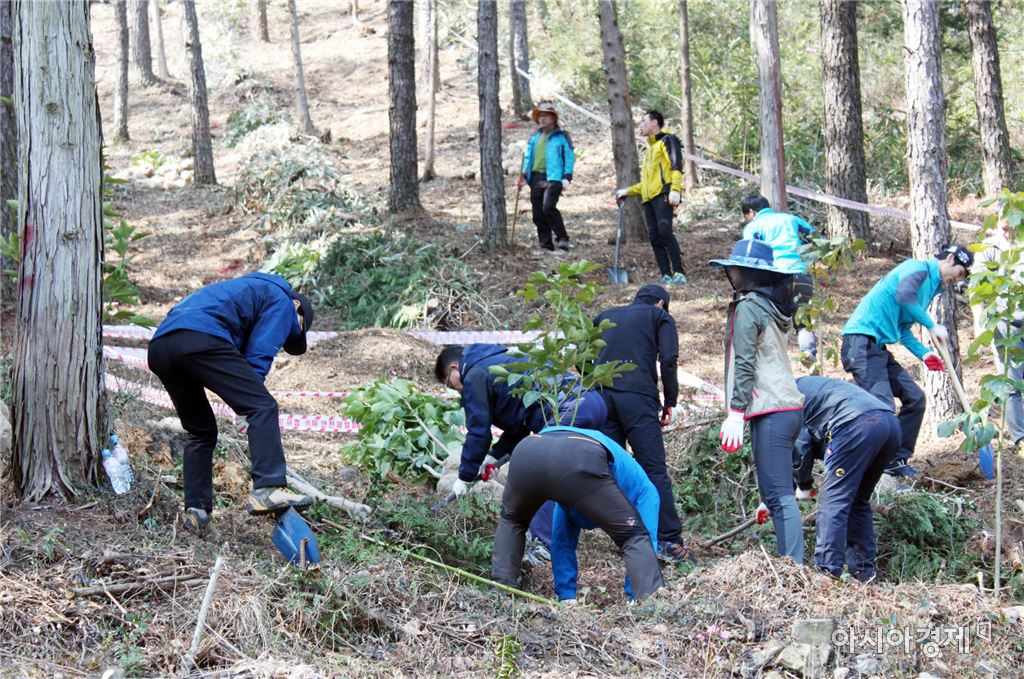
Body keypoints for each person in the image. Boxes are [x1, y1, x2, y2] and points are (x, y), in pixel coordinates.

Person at [147, 272, 316, 533]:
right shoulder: (283, 301)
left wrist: (243, 402)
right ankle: (268, 489)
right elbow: (258, 355)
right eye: (292, 331)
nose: (286, 337)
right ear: (298, 308)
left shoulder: (243, 290)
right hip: (200, 336)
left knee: (200, 430)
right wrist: (247, 405)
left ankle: (197, 511)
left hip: (161, 345)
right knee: (263, 406)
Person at [434, 344, 606, 547]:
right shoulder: (501, 361)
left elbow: (478, 431)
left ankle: (541, 543)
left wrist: (464, 477)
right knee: (573, 472)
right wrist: (493, 458)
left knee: (542, 473)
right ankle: (585, 525)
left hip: (568, 410)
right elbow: (521, 424)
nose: (456, 389)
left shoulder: (474, 375)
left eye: (451, 385)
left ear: (455, 368)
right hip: (591, 403)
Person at [840, 245, 973, 477]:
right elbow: (904, 296)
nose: (956, 280)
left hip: (877, 348)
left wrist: (925, 354)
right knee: (882, 407)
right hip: (860, 342)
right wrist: (931, 325)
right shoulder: (918, 269)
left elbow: (903, 329)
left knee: (915, 398)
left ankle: (894, 460)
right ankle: (868, 466)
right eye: (959, 272)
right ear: (950, 258)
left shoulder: (931, 287)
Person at [710, 239, 805, 563]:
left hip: (770, 409)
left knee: (780, 496)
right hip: (784, 407)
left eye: (737, 268)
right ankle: (791, 564)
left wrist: (735, 411)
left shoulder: (750, 308)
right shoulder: (772, 307)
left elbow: (745, 362)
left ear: (748, 273)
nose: (732, 274)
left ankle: (794, 568)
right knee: (775, 495)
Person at [493, 425, 664, 602]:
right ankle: (645, 602)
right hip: (580, 456)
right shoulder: (647, 492)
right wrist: (638, 594)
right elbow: (644, 542)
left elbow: (561, 539)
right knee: (633, 536)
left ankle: (502, 594)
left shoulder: (580, 493)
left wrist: (566, 594)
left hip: (528, 449)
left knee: (512, 521)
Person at [594, 284, 689, 562]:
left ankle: (628, 537)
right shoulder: (659, 317)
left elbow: (582, 356)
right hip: (637, 399)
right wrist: (670, 399)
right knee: (653, 469)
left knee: (616, 470)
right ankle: (668, 540)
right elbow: (669, 358)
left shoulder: (605, 315)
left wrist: (595, 383)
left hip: (601, 398)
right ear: (661, 303)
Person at [793, 376, 901, 581]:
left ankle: (826, 572)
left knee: (834, 501)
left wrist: (803, 484)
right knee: (858, 501)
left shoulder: (787, 397)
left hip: (855, 426)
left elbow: (801, 445)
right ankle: (864, 573)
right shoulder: (810, 386)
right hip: (889, 424)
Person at [740, 193, 819, 360]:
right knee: (803, 320)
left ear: (751, 212)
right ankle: (808, 353)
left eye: (746, 216)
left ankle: (775, 360)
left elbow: (749, 255)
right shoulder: (791, 219)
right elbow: (816, 238)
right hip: (801, 273)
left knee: (773, 322)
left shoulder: (753, 227)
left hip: (775, 277)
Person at [615, 110, 687, 286]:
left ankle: (679, 272)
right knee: (654, 237)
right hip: (648, 199)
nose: (641, 125)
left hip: (664, 193)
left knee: (665, 231)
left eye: (644, 121)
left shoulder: (668, 140)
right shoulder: (649, 151)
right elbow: (646, 183)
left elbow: (676, 165)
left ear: (655, 122)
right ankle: (666, 274)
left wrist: (675, 189)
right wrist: (627, 191)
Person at [971, 217, 1024, 455]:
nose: (1011, 233)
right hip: (1005, 323)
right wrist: (979, 322)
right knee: (1011, 381)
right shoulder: (989, 250)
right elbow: (977, 289)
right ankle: (1020, 438)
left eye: (1016, 227)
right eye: (1005, 228)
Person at [517, 102, 576, 252]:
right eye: (540, 116)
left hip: (554, 178)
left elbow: (569, 157)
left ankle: (562, 237)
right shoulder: (534, 137)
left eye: (546, 116)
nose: (542, 119)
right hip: (535, 178)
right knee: (537, 213)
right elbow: (529, 157)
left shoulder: (562, 137)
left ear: (553, 118)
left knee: (548, 207)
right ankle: (546, 244)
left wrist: (567, 177)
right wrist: (524, 175)